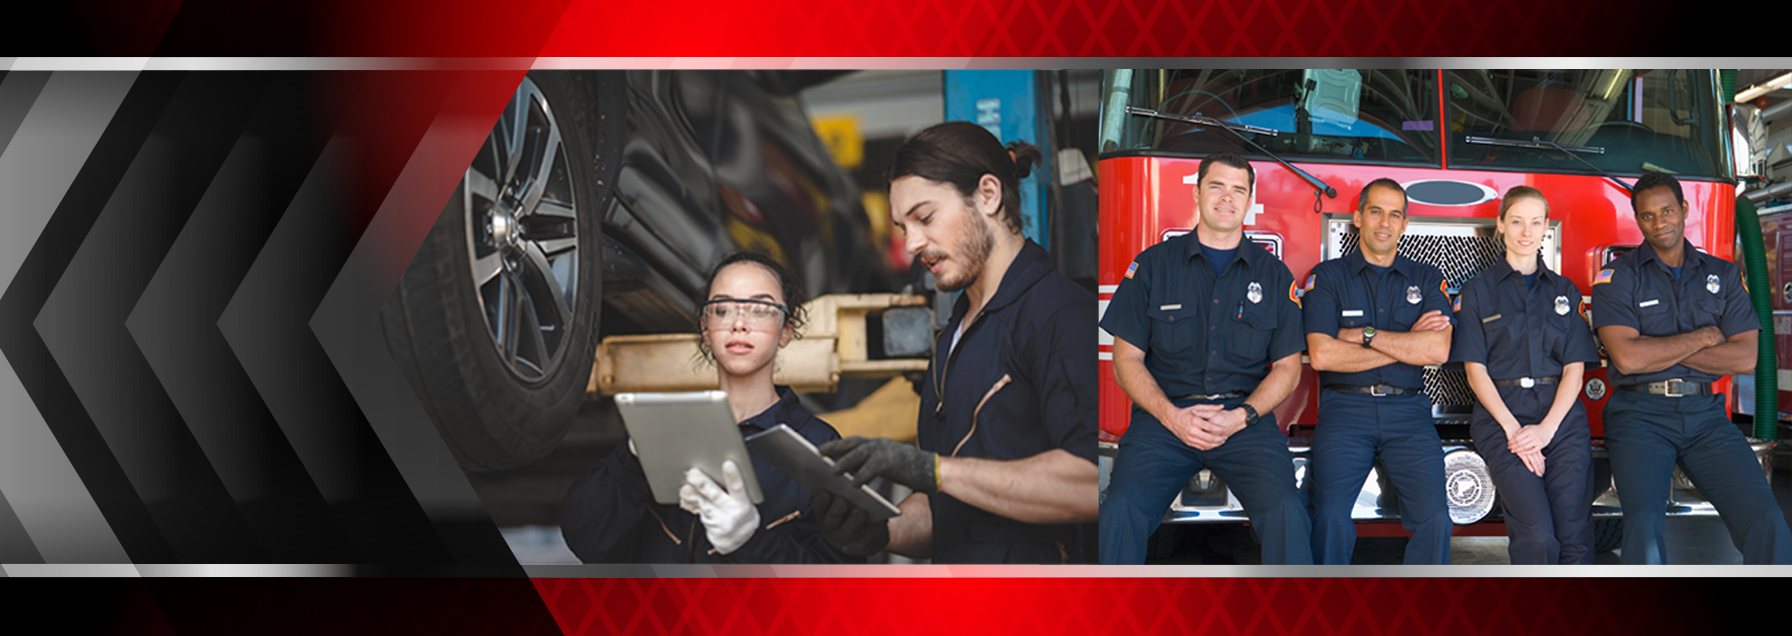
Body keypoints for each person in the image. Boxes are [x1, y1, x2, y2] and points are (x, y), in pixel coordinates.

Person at [813, 121, 1099, 563]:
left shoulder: (1060, 315)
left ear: (988, 194)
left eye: (924, 217)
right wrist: (879, 530)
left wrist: (933, 470)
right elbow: (949, 510)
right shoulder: (953, 338)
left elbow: (1090, 484)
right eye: (902, 226)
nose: (911, 243)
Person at [559, 252, 858, 563]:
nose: (739, 324)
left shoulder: (819, 446)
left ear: (785, 330)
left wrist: (751, 542)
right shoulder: (665, 428)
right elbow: (586, 540)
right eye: (722, 309)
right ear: (705, 327)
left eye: (760, 309)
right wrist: (631, 460)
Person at [1096, 153, 1310, 565]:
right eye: (1217, 186)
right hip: (1164, 421)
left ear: (1249, 201)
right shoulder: (1153, 266)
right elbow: (1127, 359)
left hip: (1244, 423)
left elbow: (1287, 368)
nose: (1227, 198)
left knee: (1288, 512)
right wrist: (1171, 415)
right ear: (1197, 193)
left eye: (1238, 190)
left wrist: (1240, 416)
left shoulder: (1274, 275)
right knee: (1119, 509)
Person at [1591, 171, 1792, 564]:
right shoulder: (1616, 277)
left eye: (1667, 210)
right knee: (1643, 525)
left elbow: (1745, 358)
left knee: (1765, 517)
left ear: (1683, 210)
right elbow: (1627, 359)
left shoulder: (1725, 275)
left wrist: (1655, 347)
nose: (1659, 222)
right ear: (1638, 220)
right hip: (1639, 416)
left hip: (1705, 417)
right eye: (1647, 216)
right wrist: (1703, 337)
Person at [1303, 178, 1453, 565]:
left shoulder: (1427, 277)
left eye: (1395, 214)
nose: (1385, 222)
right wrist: (1405, 346)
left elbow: (1437, 349)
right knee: (1330, 517)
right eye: (1375, 211)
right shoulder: (1327, 276)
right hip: (1344, 412)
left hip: (1409, 415)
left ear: (1405, 224)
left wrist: (1363, 336)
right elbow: (1321, 355)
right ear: (1357, 218)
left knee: (1436, 519)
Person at [1450, 186, 1598, 564]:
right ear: (1500, 225)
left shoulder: (1565, 291)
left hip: (1561, 420)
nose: (1526, 231)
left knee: (1574, 531)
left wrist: (1546, 430)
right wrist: (1516, 433)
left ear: (1546, 227)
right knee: (1536, 534)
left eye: (1535, 222)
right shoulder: (1477, 291)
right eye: (1516, 221)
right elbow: (1475, 371)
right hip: (1503, 420)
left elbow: (1574, 370)